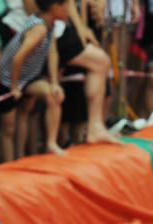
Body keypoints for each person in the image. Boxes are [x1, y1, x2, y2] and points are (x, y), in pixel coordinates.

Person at [0, 0, 68, 159]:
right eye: (66, 5)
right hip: (9, 77)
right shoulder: (39, 28)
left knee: (53, 95)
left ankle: (48, 145)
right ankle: (9, 164)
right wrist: (14, 87)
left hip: (28, 75)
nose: (69, 10)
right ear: (55, 8)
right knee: (9, 127)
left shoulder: (50, 24)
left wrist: (54, 82)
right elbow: (18, 58)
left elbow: (52, 52)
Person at [54, 0, 120, 145]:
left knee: (100, 62)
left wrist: (81, 28)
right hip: (49, 28)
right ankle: (91, 128)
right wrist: (80, 29)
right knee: (100, 61)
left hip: (58, 27)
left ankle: (94, 127)